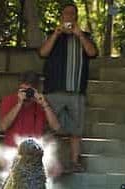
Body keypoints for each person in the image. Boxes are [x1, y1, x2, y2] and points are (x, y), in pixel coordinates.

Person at [38, 2, 98, 173]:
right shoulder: (52, 34)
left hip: (76, 91)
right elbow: (43, 53)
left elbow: (92, 52)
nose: (69, 17)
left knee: (76, 129)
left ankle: (74, 162)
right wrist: (56, 33)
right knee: (48, 128)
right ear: (61, 17)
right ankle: (44, 161)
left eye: (73, 14)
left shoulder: (85, 35)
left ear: (77, 17)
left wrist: (80, 35)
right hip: (54, 90)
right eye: (66, 14)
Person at [0, 71, 60, 147]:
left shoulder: (42, 103)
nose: (26, 94)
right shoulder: (9, 100)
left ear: (36, 90)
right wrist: (19, 104)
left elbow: (56, 127)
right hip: (13, 150)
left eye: (29, 91)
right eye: (23, 90)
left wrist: (44, 105)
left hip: (35, 152)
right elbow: (3, 127)